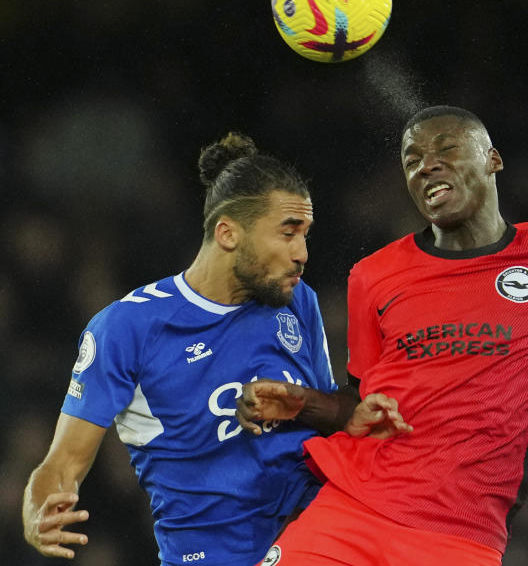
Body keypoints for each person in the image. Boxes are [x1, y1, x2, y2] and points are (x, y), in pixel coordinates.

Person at [239, 105, 528, 565]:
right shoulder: (374, 276)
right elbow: (362, 406)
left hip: (459, 538)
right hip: (351, 513)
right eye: (412, 160)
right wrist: (302, 403)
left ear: (493, 160)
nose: (427, 164)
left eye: (446, 148)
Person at [22, 132, 411, 565]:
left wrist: (304, 404)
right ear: (228, 233)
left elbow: (334, 412)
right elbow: (61, 465)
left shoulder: (298, 301)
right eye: (288, 233)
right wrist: (39, 506)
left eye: (305, 234)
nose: (302, 253)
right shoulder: (128, 327)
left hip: (315, 538)